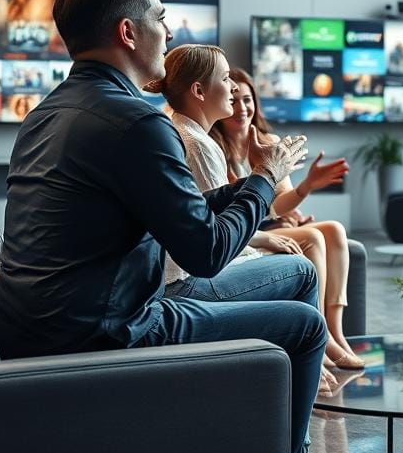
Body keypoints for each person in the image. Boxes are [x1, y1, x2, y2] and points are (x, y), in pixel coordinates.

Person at [0, 0, 342, 453]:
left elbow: (176, 208)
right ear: (127, 32)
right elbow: (206, 252)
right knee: (305, 325)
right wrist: (264, 180)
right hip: (110, 333)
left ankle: (241, 447)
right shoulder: (137, 122)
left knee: (295, 281)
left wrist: (252, 187)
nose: (170, 31)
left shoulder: (45, 114)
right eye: (159, 17)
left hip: (45, 327)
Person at [146, 46, 354, 393]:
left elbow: (211, 210)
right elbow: (218, 235)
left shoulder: (184, 132)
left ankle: (316, 350)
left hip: (178, 275)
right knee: (302, 270)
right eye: (226, 79)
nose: (233, 88)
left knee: (313, 247)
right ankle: (309, 363)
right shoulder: (198, 144)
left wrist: (266, 179)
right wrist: (266, 187)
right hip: (186, 282)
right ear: (199, 91)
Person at [210, 67, 364, 373]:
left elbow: (281, 203)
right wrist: (287, 210)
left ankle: (335, 332)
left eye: (248, 100)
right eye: (235, 100)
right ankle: (321, 335)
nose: (242, 108)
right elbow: (246, 208)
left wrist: (306, 187)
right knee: (314, 237)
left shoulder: (269, 140)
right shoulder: (216, 147)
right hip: (251, 230)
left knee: (334, 229)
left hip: (276, 222)